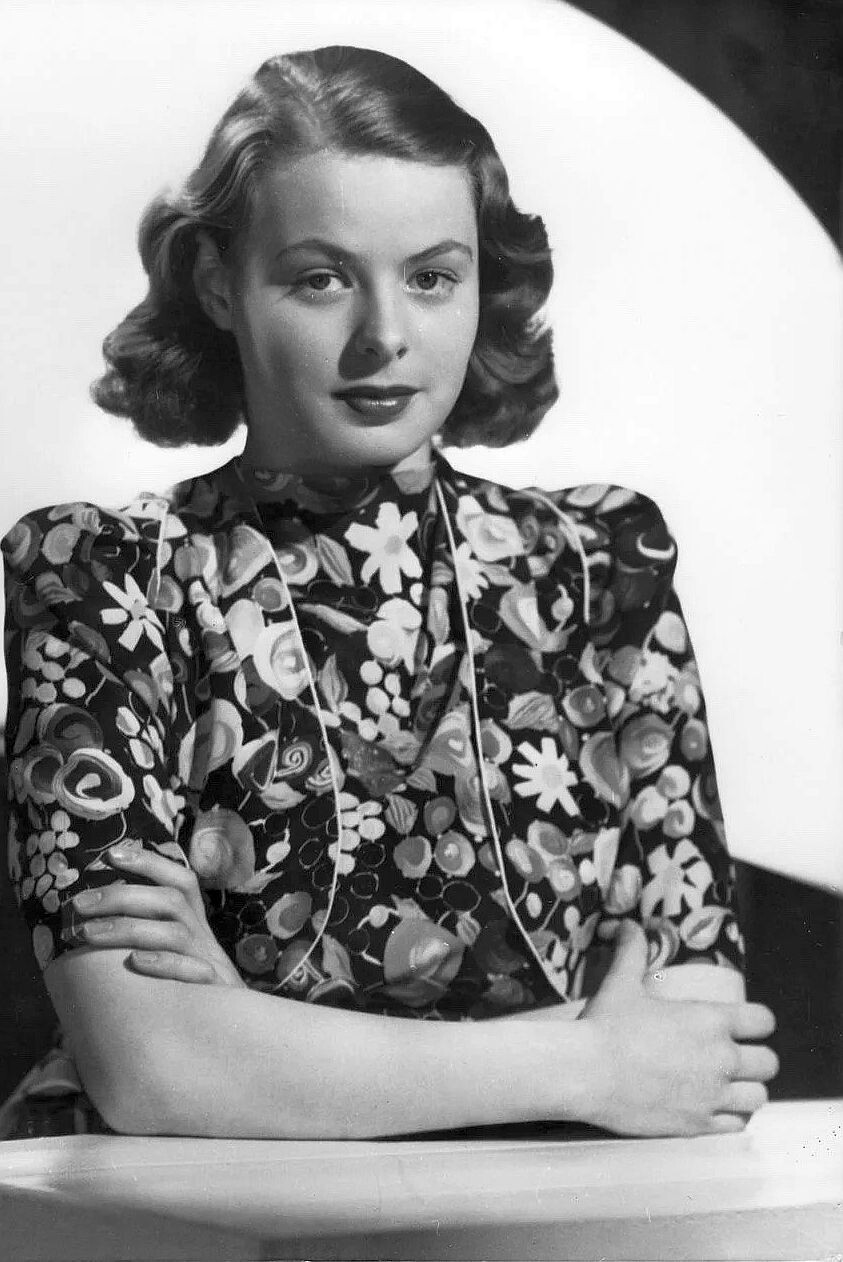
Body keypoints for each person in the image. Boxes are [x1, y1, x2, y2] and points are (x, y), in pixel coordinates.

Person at [1, 45, 777, 1141]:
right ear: (219, 284)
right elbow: (154, 1071)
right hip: (173, 1215)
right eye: (321, 278)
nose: (384, 336)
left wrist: (251, 1035)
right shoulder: (101, 576)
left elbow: (691, 1049)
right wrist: (585, 1062)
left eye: (431, 277)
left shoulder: (600, 566)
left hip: (541, 1214)